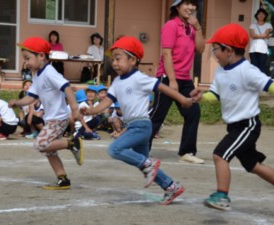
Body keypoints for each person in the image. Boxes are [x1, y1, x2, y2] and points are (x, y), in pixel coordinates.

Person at [80, 36, 196, 205]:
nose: (114, 63)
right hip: (133, 126)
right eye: (113, 59)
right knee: (144, 164)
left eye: (118, 58)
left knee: (115, 150)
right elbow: (106, 103)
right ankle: (171, 187)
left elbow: (162, 87)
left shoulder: (140, 78)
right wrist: (90, 110)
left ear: (133, 60)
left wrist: (183, 100)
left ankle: (149, 166)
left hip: (142, 125)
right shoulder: (117, 83)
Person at [191, 23, 274, 211]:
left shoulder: (248, 71)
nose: (214, 54)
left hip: (248, 126)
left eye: (215, 50)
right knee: (253, 165)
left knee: (220, 155)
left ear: (228, 50)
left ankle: (222, 196)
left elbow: (269, 85)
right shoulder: (221, 71)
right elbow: (215, 95)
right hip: (234, 127)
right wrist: (201, 97)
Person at [9, 36, 83, 190]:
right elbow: (31, 97)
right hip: (52, 119)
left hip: (59, 118)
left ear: (41, 56)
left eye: (28, 58)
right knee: (50, 151)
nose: (26, 62)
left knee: (41, 144)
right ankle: (63, 180)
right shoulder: (37, 75)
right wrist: (18, 102)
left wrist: (75, 110)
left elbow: (67, 87)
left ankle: (72, 143)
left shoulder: (49, 72)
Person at [149, 0, 205, 164]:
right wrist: (172, 80)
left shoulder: (190, 28)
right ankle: (140, 149)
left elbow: (200, 49)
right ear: (177, 7)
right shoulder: (171, 25)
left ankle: (187, 152)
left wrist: (199, 28)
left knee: (193, 112)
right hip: (167, 77)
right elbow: (166, 54)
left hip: (185, 78)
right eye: (186, 4)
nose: (191, 8)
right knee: (157, 116)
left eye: (192, 4)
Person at [249, 8, 273, 74]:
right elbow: (252, 36)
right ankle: (254, 83)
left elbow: (266, 34)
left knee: (262, 67)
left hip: (263, 49)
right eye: (259, 14)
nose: (261, 15)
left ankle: (262, 83)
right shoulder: (253, 25)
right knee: (254, 68)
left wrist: (257, 35)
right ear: (256, 15)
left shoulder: (268, 25)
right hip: (253, 49)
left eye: (263, 14)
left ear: (265, 16)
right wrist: (264, 35)